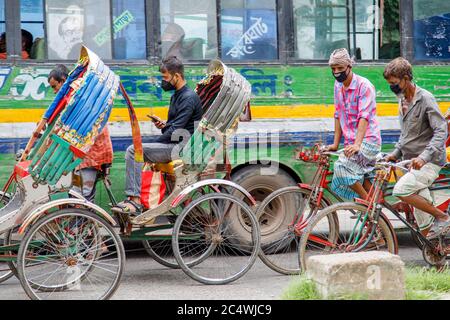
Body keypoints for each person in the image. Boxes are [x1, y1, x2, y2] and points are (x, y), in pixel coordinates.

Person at [112, 56, 203, 216]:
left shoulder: (188, 98)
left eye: (165, 77)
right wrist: (164, 125)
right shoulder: (177, 95)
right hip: (175, 143)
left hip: (180, 148)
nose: (163, 81)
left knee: (133, 151)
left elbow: (175, 130)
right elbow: (174, 127)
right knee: (138, 148)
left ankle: (135, 200)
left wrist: (154, 141)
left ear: (177, 76)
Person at [383, 57, 449, 239]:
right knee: (424, 223)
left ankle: (442, 216)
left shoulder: (426, 99)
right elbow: (405, 136)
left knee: (400, 190)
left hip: (430, 163)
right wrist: (394, 154)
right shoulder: (402, 101)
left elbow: (441, 131)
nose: (392, 87)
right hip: (411, 165)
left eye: (394, 83)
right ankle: (436, 254)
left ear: (406, 79)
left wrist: (424, 157)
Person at [48, 65, 114, 202]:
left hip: (92, 153)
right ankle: (85, 221)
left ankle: (86, 221)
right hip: (84, 153)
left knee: (82, 196)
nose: (55, 92)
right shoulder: (74, 96)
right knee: (80, 194)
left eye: (55, 86)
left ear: (64, 81)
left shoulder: (78, 96)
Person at [325, 48, 382, 201]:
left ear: (349, 67)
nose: (337, 72)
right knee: (364, 181)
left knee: (341, 167)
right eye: (333, 69)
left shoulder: (364, 86)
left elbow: (364, 116)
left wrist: (358, 144)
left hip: (368, 142)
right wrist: (335, 144)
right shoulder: (338, 86)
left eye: (340, 68)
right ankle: (374, 210)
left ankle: (367, 205)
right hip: (352, 143)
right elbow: (337, 114)